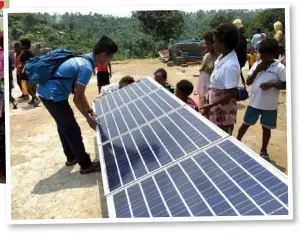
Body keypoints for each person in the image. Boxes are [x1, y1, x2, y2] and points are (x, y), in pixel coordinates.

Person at [37, 36, 118, 174]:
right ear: (104, 55)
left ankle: (71, 157)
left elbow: (79, 93)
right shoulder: (86, 67)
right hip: (53, 96)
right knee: (72, 129)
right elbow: (77, 99)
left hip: (48, 93)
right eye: (111, 57)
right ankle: (85, 164)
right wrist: (88, 119)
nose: (110, 60)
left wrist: (90, 110)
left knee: (63, 125)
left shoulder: (84, 58)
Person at [237, 38, 286, 161]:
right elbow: (248, 82)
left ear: (273, 54)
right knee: (245, 124)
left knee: (266, 128)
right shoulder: (256, 65)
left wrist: (272, 84)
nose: (262, 55)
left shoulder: (279, 68)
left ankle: (264, 150)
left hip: (269, 106)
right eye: (261, 52)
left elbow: (286, 85)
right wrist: (257, 71)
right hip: (254, 103)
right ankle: (236, 141)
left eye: (266, 53)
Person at [199, 23, 240, 135]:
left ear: (224, 43)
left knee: (222, 140)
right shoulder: (222, 57)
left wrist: (211, 105)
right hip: (216, 110)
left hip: (223, 115)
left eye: (215, 41)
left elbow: (232, 92)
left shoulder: (230, 65)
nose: (214, 44)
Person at [195, 30, 219, 108]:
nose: (206, 46)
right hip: (203, 86)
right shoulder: (207, 54)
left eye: (208, 44)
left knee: (207, 105)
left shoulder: (218, 58)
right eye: (205, 43)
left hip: (209, 87)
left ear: (215, 43)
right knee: (202, 103)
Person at [19, 38, 41, 107]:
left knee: (28, 89)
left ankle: (36, 98)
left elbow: (24, 64)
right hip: (34, 72)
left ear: (25, 45)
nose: (20, 46)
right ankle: (32, 100)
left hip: (28, 73)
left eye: (21, 44)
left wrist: (21, 72)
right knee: (33, 87)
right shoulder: (30, 53)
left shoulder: (25, 54)